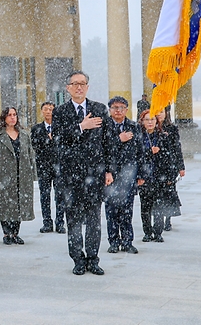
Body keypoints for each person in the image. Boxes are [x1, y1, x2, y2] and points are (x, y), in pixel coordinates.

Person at [54, 71, 114, 276]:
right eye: (75, 84)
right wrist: (81, 126)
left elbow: (108, 142)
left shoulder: (99, 109)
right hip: (70, 176)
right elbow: (58, 140)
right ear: (68, 88)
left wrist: (109, 170)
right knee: (73, 221)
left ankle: (93, 259)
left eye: (83, 84)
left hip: (95, 174)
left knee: (94, 221)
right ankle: (77, 260)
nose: (79, 87)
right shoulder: (60, 112)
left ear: (87, 87)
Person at [0, 106, 37, 245]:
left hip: (22, 174)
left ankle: (16, 233)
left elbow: (30, 155)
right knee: (5, 205)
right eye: (9, 115)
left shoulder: (24, 135)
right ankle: (6, 233)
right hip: (5, 174)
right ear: (4, 117)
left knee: (19, 204)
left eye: (14, 114)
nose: (12, 117)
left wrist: (32, 173)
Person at [105, 96, 144, 254]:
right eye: (115, 108)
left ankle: (128, 241)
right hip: (110, 175)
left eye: (122, 107)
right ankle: (113, 241)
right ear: (110, 110)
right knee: (111, 211)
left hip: (129, 175)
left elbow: (141, 152)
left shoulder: (134, 127)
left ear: (127, 109)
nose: (118, 111)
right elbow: (101, 149)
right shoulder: (104, 127)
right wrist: (117, 139)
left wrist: (141, 174)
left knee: (127, 211)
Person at [139, 110, 183, 243]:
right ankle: (147, 232)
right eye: (147, 119)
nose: (150, 122)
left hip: (160, 177)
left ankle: (158, 232)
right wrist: (148, 152)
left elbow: (168, 156)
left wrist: (171, 175)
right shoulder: (138, 137)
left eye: (153, 119)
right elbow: (135, 157)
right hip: (144, 178)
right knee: (145, 208)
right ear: (142, 122)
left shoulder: (163, 136)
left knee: (159, 207)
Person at [31, 101, 65, 234]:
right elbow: (35, 146)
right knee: (44, 195)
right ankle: (47, 223)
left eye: (51, 109)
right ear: (41, 111)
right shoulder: (36, 129)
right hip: (43, 166)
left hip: (59, 166)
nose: (48, 111)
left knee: (60, 195)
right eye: (46, 109)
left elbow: (64, 146)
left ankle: (60, 222)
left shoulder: (61, 128)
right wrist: (47, 140)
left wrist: (54, 139)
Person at [155, 108, 185, 232]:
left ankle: (167, 220)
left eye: (161, 112)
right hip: (155, 165)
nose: (159, 115)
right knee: (156, 194)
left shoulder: (172, 129)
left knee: (169, 193)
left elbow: (177, 147)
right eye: (156, 112)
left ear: (166, 113)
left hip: (169, 165)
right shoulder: (150, 127)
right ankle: (157, 220)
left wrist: (180, 166)